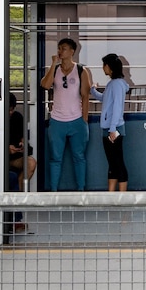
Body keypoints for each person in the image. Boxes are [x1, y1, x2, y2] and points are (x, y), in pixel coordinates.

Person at [40, 38, 92, 191]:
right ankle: (53, 191)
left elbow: (86, 95)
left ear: (72, 52)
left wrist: (84, 119)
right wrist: (53, 64)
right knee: (55, 158)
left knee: (79, 157)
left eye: (63, 48)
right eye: (59, 48)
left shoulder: (81, 70)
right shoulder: (55, 69)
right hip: (57, 120)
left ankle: (81, 190)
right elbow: (45, 85)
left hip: (76, 119)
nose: (60, 51)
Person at [90, 53, 130, 192]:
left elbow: (117, 107)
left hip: (114, 129)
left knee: (117, 162)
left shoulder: (117, 84)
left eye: (104, 65)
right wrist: (93, 90)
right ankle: (111, 195)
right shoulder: (112, 84)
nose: (103, 68)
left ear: (110, 67)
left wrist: (112, 129)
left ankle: (122, 196)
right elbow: (105, 99)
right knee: (113, 163)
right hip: (109, 128)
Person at [7, 92, 36, 191]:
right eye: (8, 110)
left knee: (31, 163)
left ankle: (20, 191)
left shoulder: (17, 117)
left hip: (15, 158)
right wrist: (6, 149)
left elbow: (23, 138)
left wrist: (23, 146)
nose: (10, 112)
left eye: (12, 109)